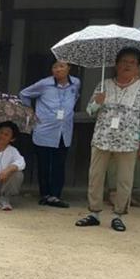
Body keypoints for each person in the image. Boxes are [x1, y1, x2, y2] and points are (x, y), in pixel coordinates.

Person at [76, 48, 140, 232]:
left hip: (128, 141)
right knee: (96, 176)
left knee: (124, 180)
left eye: (132, 62)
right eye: (124, 61)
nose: (127, 65)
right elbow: (90, 110)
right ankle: (94, 213)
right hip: (102, 137)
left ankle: (118, 215)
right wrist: (97, 102)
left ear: (137, 67)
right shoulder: (104, 84)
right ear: (116, 64)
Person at [19, 59, 82, 208]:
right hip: (45, 129)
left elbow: (76, 96)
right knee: (44, 164)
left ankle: (56, 195)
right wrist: (29, 110)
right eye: (55, 66)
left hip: (64, 130)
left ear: (69, 68)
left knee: (59, 164)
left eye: (62, 66)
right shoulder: (44, 84)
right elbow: (24, 94)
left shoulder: (76, 83)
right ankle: (45, 194)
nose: (58, 69)